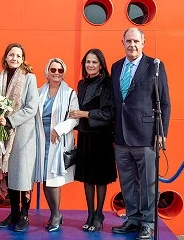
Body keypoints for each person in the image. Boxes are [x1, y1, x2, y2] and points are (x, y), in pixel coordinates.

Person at [110, 27, 171, 239]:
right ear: (123, 42)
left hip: (146, 135)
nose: (132, 45)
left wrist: (162, 132)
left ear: (143, 42)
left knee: (147, 183)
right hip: (121, 135)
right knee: (127, 181)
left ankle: (148, 222)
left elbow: (164, 102)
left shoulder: (155, 65)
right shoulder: (116, 67)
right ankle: (133, 219)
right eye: (128, 41)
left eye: (136, 41)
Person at [0, 43, 40, 232]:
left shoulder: (30, 78)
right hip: (3, 135)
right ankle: (13, 212)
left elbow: (31, 107)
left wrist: (8, 120)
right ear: (5, 57)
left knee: (22, 174)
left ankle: (24, 214)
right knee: (9, 173)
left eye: (19, 56)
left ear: (23, 59)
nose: (15, 58)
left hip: (22, 134)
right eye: (12, 55)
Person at [70, 48, 117, 232]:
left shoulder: (106, 83)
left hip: (101, 136)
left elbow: (108, 113)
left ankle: (99, 213)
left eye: (94, 62)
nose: (90, 65)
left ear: (101, 64)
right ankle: (90, 212)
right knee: (87, 178)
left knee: (100, 178)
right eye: (88, 62)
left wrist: (84, 114)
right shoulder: (82, 84)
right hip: (84, 136)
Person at [34, 58, 79, 232]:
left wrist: (59, 129)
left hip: (57, 140)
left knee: (53, 179)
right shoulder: (39, 92)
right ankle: (55, 213)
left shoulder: (70, 93)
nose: (56, 73)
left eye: (60, 70)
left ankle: (55, 215)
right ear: (47, 71)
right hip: (40, 139)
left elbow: (74, 118)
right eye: (53, 70)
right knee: (45, 179)